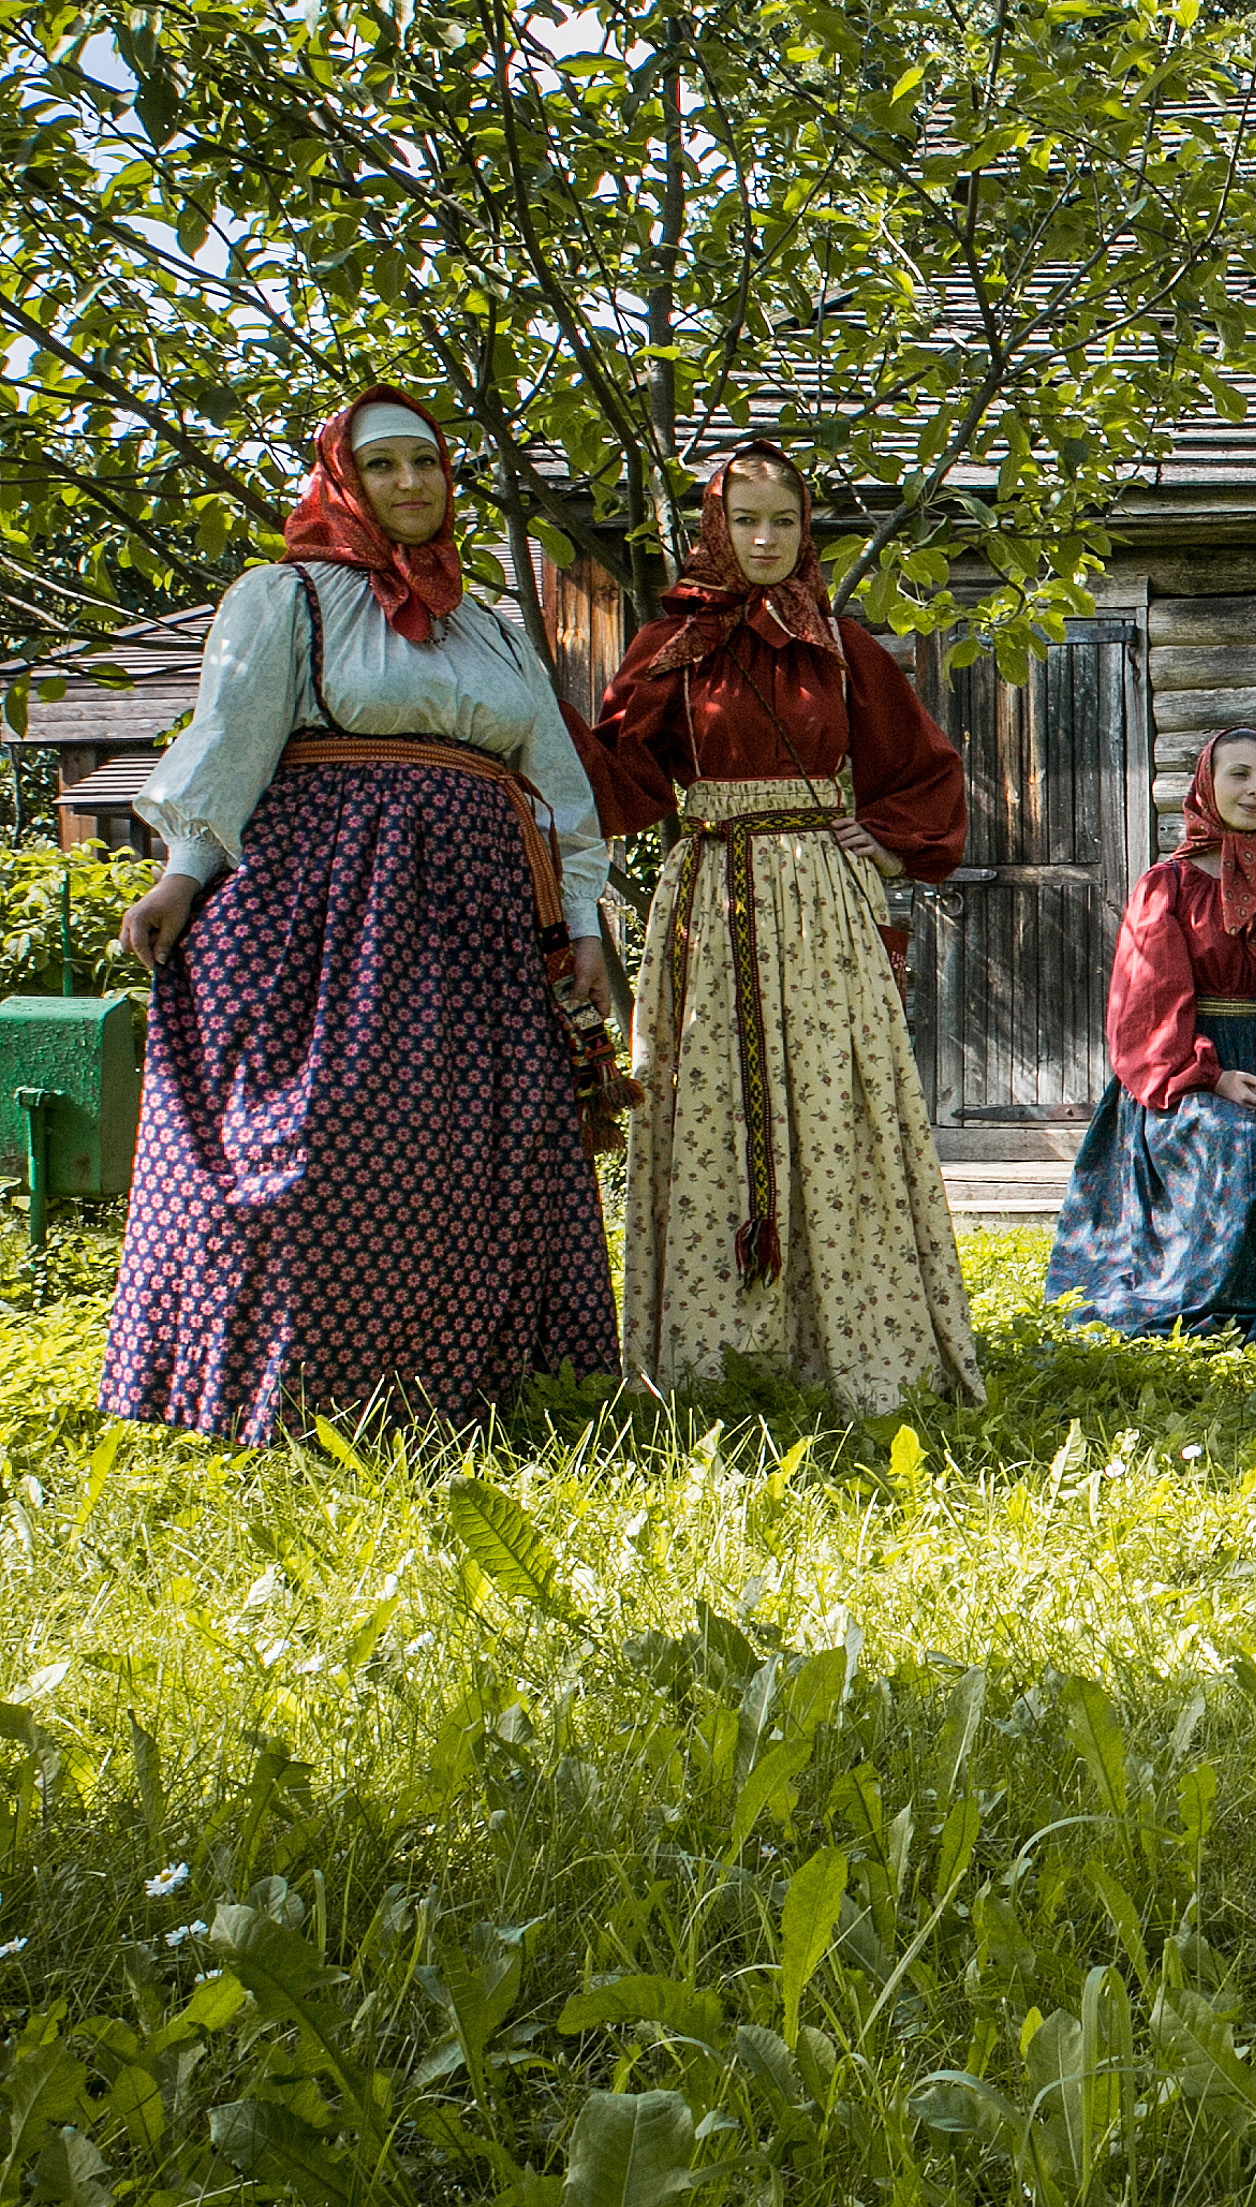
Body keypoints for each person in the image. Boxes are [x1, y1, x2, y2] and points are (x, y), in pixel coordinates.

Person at [101, 388, 622, 1442]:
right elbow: (234, 741)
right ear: (345, 478)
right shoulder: (284, 596)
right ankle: (289, 1392)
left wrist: (581, 922)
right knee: (323, 1138)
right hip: (330, 905)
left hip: (475, 917)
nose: (411, 486)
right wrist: (183, 873)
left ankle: (457, 1390)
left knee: (472, 1143)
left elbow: (556, 780)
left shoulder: (491, 625)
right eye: (384, 467)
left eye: (426, 464)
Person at [588, 439, 981, 1414]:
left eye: (784, 520)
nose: (764, 539)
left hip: (819, 901)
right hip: (711, 903)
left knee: (832, 1097)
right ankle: (715, 1353)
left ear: (807, 531)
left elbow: (924, 771)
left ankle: (850, 1342)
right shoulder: (671, 648)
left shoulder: (840, 649)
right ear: (712, 529)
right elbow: (626, 782)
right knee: (713, 1098)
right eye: (743, 519)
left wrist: (884, 841)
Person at [1043, 727, 1256, 1341]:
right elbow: (1148, 1002)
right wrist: (1210, 1077)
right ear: (1208, 782)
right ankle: (1209, 1290)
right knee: (1227, 1133)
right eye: (1240, 775)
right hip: (1187, 1064)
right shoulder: (1169, 886)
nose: (1255, 791)